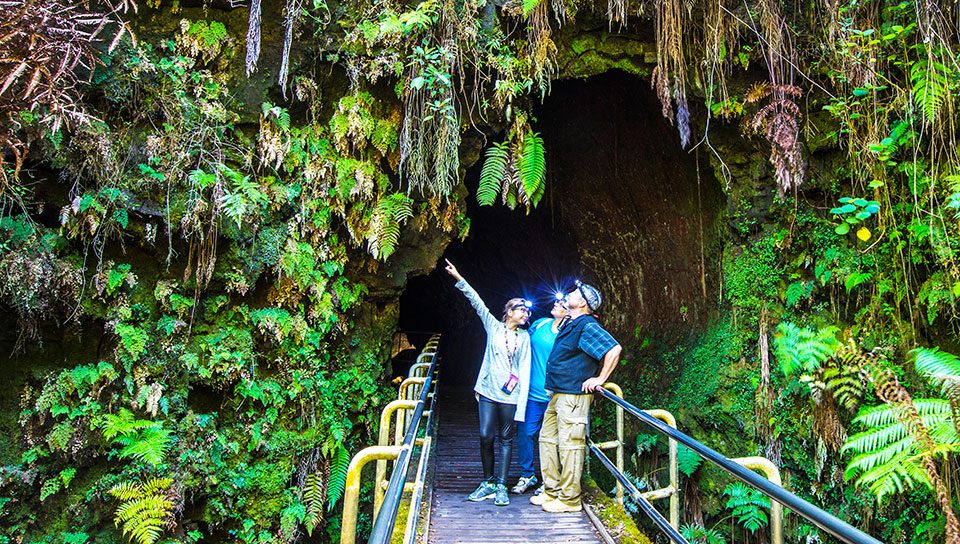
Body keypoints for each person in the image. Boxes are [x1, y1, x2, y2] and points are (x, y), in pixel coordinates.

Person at [445, 259, 532, 507]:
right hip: (487, 391)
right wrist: (459, 277)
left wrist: (522, 405)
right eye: (521, 309)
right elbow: (477, 302)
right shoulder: (494, 327)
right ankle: (488, 481)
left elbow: (524, 370)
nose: (525, 314)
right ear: (509, 312)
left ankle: (502, 485)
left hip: (510, 396)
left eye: (527, 311)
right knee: (485, 436)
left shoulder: (525, 338)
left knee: (506, 440)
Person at [532, 281, 622, 513]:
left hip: (573, 395)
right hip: (557, 392)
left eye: (573, 293)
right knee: (547, 440)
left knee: (570, 445)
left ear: (582, 302)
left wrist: (600, 379)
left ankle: (569, 499)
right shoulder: (571, 323)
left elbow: (613, 349)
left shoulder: (587, 325)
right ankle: (552, 490)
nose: (568, 294)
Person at [511, 295, 568, 495]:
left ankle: (550, 479)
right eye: (557, 302)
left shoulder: (569, 332)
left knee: (552, 439)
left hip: (555, 395)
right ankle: (528, 475)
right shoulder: (540, 323)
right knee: (525, 434)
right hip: (531, 392)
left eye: (562, 304)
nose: (556, 304)